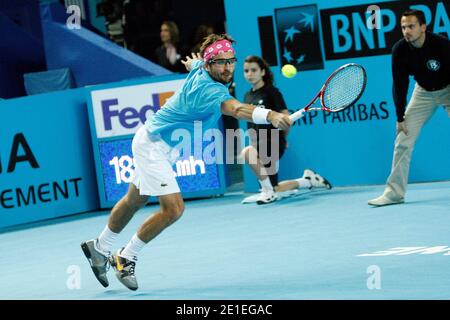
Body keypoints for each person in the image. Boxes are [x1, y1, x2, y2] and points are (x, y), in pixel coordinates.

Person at [81, 34, 293, 291]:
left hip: (153, 140)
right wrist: (270, 114)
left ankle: (100, 247)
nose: (227, 68)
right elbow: (237, 109)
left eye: (230, 61)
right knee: (174, 209)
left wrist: (194, 63)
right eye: (220, 62)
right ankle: (126, 256)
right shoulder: (211, 89)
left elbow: (196, 66)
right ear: (209, 65)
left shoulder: (201, 71)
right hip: (153, 146)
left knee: (134, 200)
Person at [368, 9, 449, 206]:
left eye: (411, 26)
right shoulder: (400, 50)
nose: (406, 31)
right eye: (403, 27)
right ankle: (394, 194)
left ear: (423, 27)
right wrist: (400, 117)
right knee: (403, 140)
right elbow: (399, 84)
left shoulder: (441, 44)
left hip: (448, 88)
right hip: (423, 92)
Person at [241, 56, 332, 204]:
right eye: (246, 71)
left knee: (247, 153)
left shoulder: (272, 92)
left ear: (263, 72)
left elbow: (285, 119)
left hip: (273, 141)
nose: (249, 74)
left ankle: (268, 192)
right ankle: (308, 180)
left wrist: (284, 139)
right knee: (275, 187)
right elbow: (251, 124)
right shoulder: (247, 96)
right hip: (258, 143)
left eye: (253, 70)